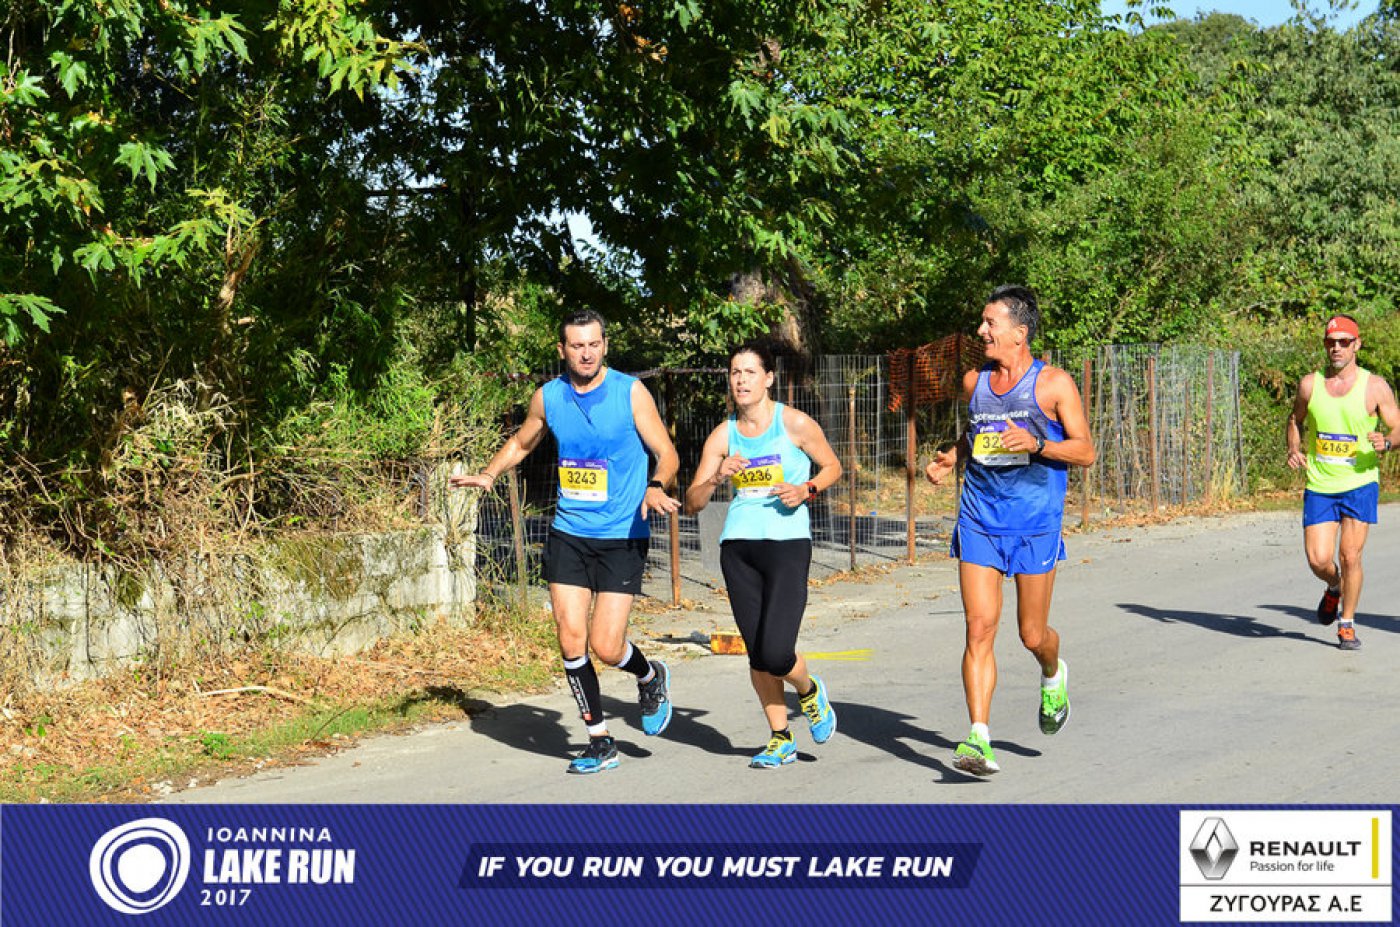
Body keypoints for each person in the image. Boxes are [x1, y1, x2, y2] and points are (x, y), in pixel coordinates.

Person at [451, 310, 682, 774]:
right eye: (577, 346)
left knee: (607, 646)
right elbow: (522, 442)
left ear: (605, 345)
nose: (586, 353)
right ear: (562, 350)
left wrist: (656, 485)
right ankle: (599, 739)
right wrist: (490, 473)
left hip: (621, 534)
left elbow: (667, 452)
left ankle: (649, 675)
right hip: (569, 533)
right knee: (571, 639)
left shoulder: (629, 392)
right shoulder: (549, 396)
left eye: (594, 344)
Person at [924, 285, 1095, 775]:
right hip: (979, 517)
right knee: (979, 628)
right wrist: (954, 455)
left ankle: (1052, 672)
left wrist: (1037, 445)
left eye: (990, 323)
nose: (981, 331)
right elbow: (978, 429)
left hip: (1034, 523)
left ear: (1019, 333)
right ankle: (978, 738)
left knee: (1031, 634)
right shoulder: (974, 381)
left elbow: (1085, 451)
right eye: (982, 322)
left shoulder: (1054, 384)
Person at [685, 342, 842, 768]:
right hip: (738, 549)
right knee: (757, 653)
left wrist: (806, 489)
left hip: (787, 545)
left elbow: (833, 467)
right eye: (735, 373)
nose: (741, 380)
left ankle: (808, 690)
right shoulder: (724, 435)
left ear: (768, 378)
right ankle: (780, 737)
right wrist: (717, 477)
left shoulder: (794, 423)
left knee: (776, 652)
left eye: (750, 372)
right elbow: (693, 502)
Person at [1284, 314, 1400, 651]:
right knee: (1319, 559)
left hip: (1360, 482)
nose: (1336, 348)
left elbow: (1397, 427)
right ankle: (1334, 587)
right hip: (1321, 484)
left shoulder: (1375, 386)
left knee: (1350, 556)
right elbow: (1295, 419)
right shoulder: (1310, 385)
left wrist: (1387, 442)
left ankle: (1346, 624)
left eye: (1344, 342)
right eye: (1330, 342)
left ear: (1356, 345)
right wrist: (1293, 447)